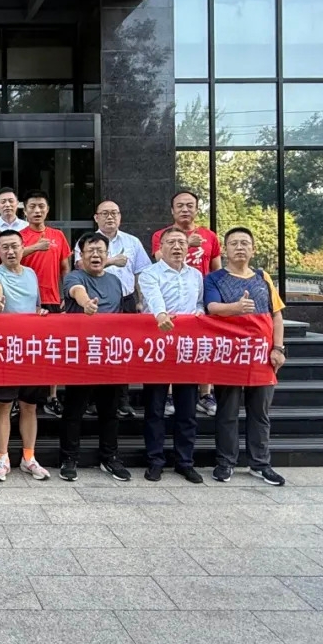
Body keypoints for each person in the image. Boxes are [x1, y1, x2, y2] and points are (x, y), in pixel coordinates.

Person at [205, 226, 287, 487]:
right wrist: (236, 308)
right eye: (234, 243)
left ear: (253, 249)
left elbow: (276, 315)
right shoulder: (214, 278)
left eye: (244, 243)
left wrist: (278, 348)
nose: (239, 247)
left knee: (260, 413)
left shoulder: (263, 278)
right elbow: (211, 307)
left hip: (262, 355)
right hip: (230, 354)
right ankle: (225, 462)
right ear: (225, 250)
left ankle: (260, 463)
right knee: (227, 412)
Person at [59, 232, 131, 483]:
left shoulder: (115, 281)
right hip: (81, 354)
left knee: (109, 411)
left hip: (109, 355)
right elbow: (77, 292)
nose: (96, 255)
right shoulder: (74, 277)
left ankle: (110, 457)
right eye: (90, 251)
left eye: (101, 250)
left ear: (107, 254)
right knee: (74, 410)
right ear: (81, 255)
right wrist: (87, 303)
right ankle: (69, 458)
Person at [72, 201, 151, 419]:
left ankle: (122, 401)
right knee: (93, 350)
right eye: (105, 213)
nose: (110, 217)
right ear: (96, 217)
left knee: (122, 351)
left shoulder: (132, 242)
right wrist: (112, 261)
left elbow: (141, 273)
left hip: (126, 300)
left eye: (114, 213)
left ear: (120, 216)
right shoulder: (86, 240)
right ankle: (91, 401)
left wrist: (141, 301)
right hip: (94, 302)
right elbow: (81, 266)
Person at [139, 226, 204, 484]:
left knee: (187, 408)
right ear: (161, 247)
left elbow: (199, 303)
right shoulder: (149, 273)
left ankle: (184, 461)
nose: (177, 247)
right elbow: (153, 299)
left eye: (181, 242)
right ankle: (155, 460)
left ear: (188, 247)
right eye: (171, 242)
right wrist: (161, 315)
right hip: (156, 346)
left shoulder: (196, 275)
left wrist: (200, 314)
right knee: (155, 408)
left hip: (186, 348)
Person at [0, 230, 51, 482]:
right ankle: (3, 458)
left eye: (14, 246)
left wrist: (41, 313)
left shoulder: (32, 274)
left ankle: (28, 457)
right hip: (5, 349)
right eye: (5, 247)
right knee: (3, 405)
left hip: (31, 349)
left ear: (23, 247)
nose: (10, 251)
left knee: (29, 406)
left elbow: (36, 306)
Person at [152, 190, 222, 417]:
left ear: (197, 209)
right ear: (172, 210)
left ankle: (205, 394)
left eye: (189, 205)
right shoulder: (161, 235)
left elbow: (216, 269)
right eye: (180, 206)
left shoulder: (209, 236)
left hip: (199, 298)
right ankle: (169, 394)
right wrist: (186, 243)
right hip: (170, 300)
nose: (185, 209)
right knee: (171, 347)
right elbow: (158, 259)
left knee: (202, 347)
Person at [20, 189, 72, 420]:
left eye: (41, 206)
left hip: (52, 300)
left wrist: (65, 295)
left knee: (52, 350)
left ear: (48, 209)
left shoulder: (58, 236)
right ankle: (22, 397)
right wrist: (34, 247)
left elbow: (65, 268)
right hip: (25, 302)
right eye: (32, 206)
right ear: (25, 210)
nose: (37, 210)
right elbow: (10, 258)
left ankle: (52, 397)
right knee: (25, 349)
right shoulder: (19, 236)